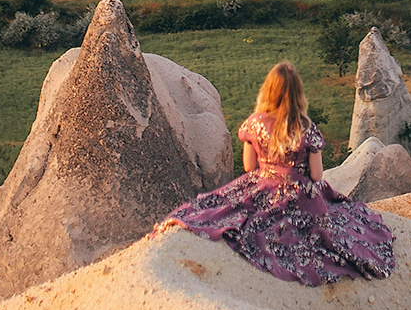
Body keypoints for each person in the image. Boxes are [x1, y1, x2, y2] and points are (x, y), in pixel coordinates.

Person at [156, 61, 396, 286]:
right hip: (301, 194)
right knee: (340, 227)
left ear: (268, 91)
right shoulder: (306, 128)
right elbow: (317, 176)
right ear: (297, 93)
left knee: (220, 207)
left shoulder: (254, 123)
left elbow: (249, 167)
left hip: (264, 185)